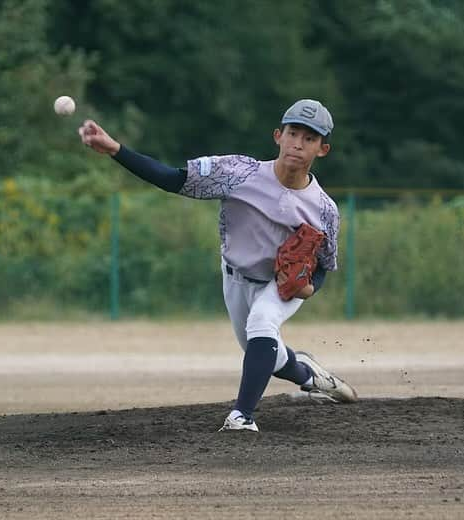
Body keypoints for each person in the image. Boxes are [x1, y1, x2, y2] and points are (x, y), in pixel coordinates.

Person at [78, 99, 357, 432]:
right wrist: (115, 150)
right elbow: (173, 179)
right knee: (267, 353)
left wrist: (308, 287)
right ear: (277, 136)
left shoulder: (324, 209)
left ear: (322, 149)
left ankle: (242, 417)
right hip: (235, 279)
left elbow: (323, 266)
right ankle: (310, 374)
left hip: (280, 286)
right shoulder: (240, 173)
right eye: (293, 133)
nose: (298, 143)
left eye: (309, 139)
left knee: (263, 323)